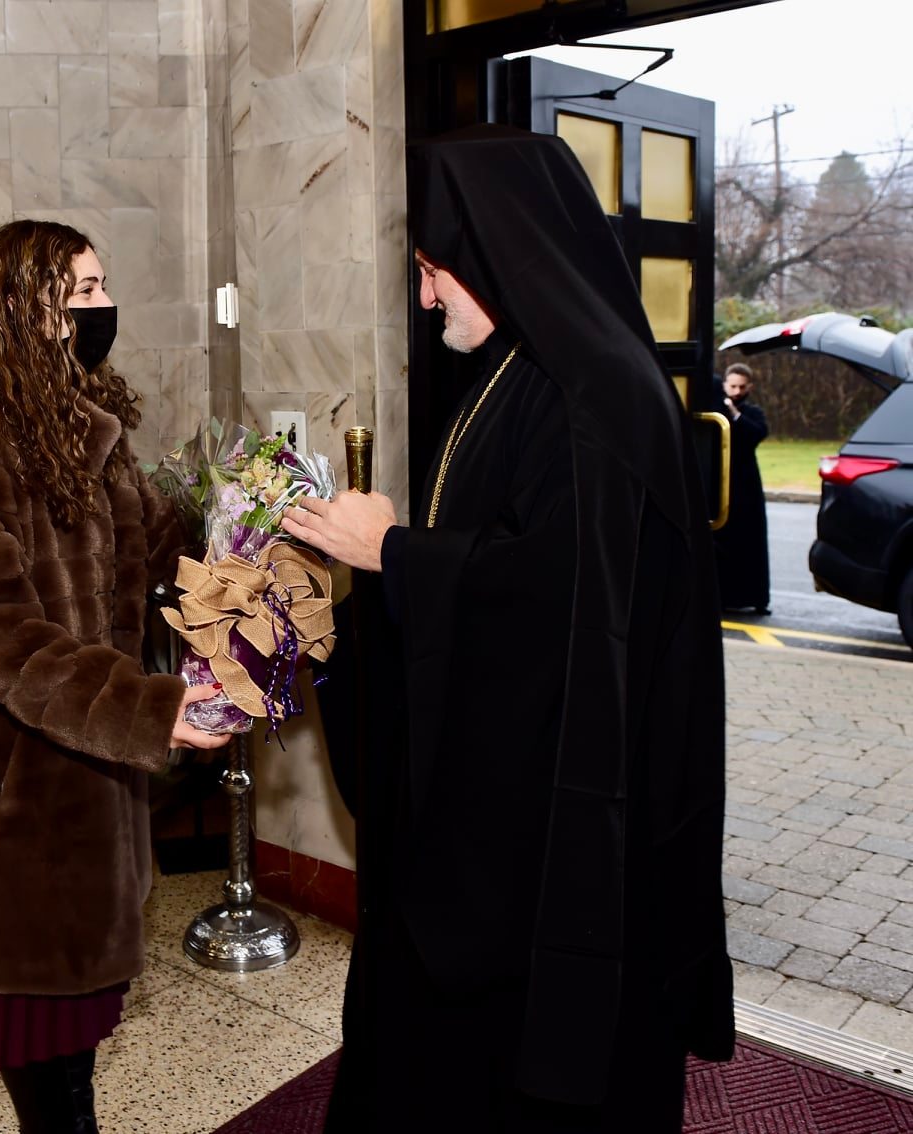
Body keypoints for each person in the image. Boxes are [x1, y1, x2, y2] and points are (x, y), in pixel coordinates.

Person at [282, 125, 733, 1130]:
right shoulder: (517, 373)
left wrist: (395, 553)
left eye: (435, 271)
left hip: (558, 838)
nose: (426, 295)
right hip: (499, 823)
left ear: (499, 255)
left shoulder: (593, 397)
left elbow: (565, 609)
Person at [0, 219, 228, 1134]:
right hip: (5, 798)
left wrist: (252, 535)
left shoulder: (85, 431)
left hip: (84, 781)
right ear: (17, 309)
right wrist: (150, 711)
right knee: (47, 1063)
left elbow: (160, 551)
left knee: (70, 1056)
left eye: (103, 286)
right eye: (80, 293)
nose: (102, 307)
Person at [713, 362, 771, 615]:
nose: (736, 391)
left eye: (741, 387)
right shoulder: (715, 409)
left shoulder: (752, 412)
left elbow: (756, 433)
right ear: (725, 384)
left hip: (746, 483)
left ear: (749, 387)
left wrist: (735, 413)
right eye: (732, 386)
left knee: (751, 542)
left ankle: (756, 598)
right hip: (722, 480)